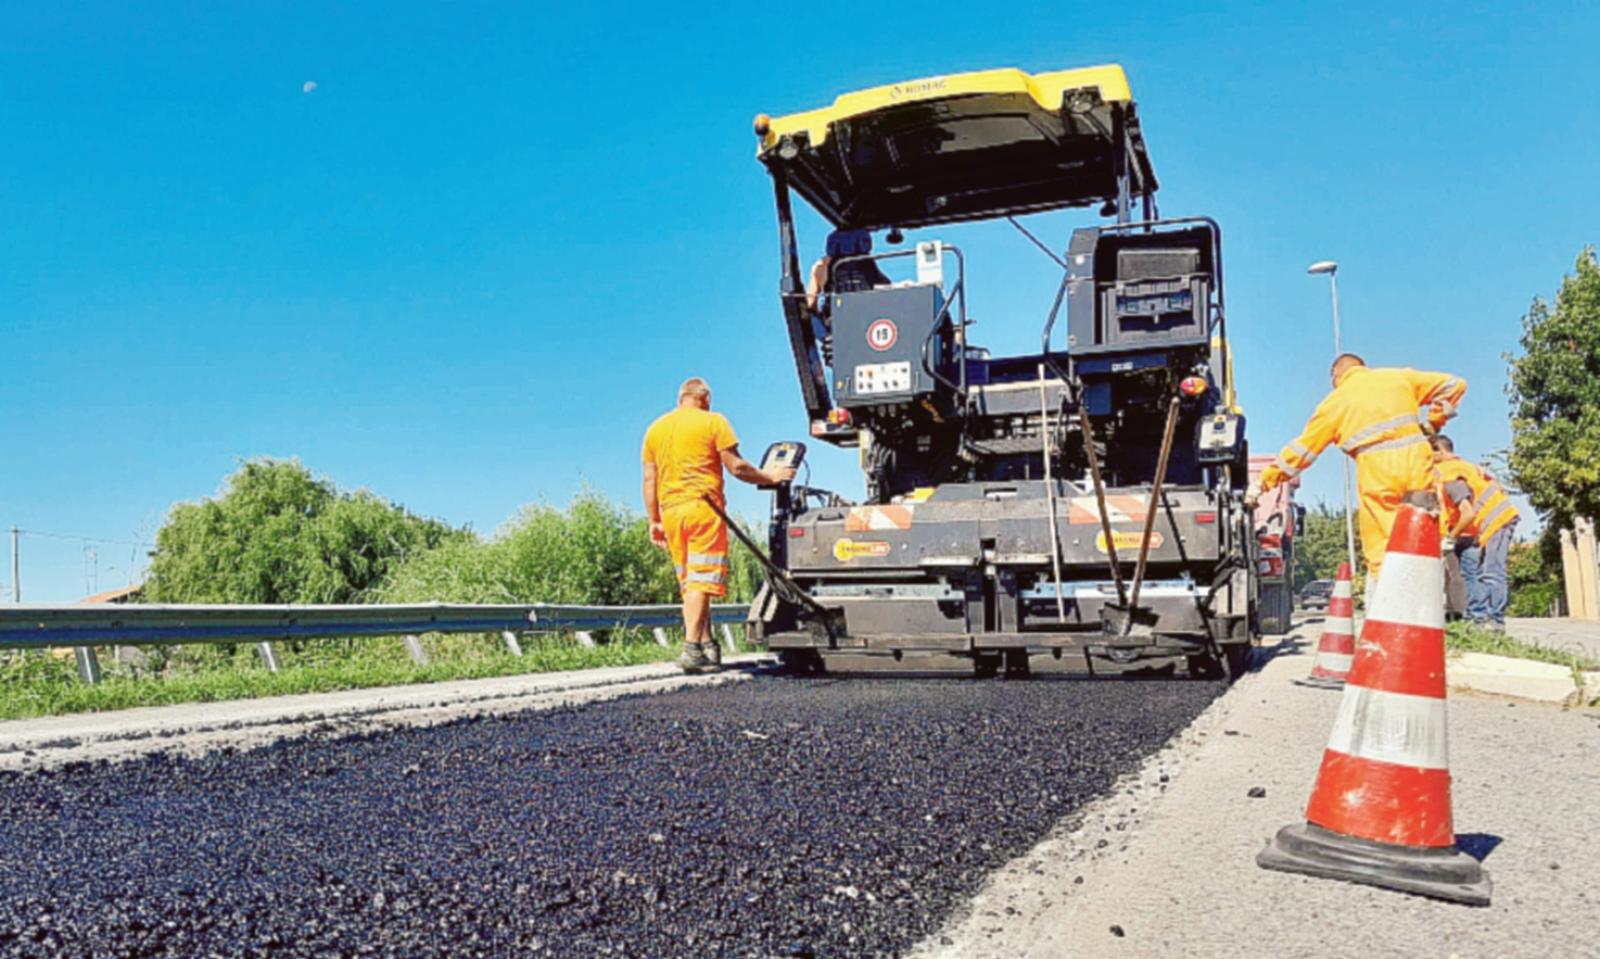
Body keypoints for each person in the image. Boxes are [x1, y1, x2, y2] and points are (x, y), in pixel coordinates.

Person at [1247, 354, 1466, 583]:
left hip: (1377, 471)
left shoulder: (1335, 402)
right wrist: (1433, 423)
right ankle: (1431, 591)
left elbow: (1301, 452)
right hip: (1417, 461)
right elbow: (1455, 385)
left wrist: (1264, 481)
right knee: (1426, 525)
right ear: (1363, 367)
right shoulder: (1398, 378)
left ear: (1336, 375)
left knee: (1382, 544)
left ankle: (1389, 596)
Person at [641, 377, 796, 674]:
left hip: (672, 512)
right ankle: (691, 649)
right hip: (703, 509)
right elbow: (736, 466)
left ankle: (708, 646)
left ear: (680, 399)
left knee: (690, 584)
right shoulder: (713, 422)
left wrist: (654, 520)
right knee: (701, 581)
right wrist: (770, 476)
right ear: (706, 398)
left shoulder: (655, 429)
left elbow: (650, 480)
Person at [1432, 435, 1521, 628]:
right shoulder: (1467, 466)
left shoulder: (1449, 473)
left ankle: (1494, 622)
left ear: (1439, 451)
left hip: (1497, 520)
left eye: (1430, 455)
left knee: (1491, 572)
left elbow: (1467, 513)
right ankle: (1480, 619)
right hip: (1491, 522)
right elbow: (1496, 486)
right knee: (1479, 573)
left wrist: (1451, 536)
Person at [805, 228, 892, 315]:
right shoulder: (866, 263)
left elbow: (810, 303)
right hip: (869, 316)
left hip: (836, 318)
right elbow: (886, 285)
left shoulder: (819, 267)